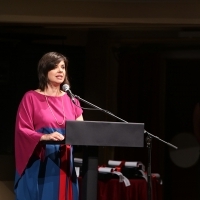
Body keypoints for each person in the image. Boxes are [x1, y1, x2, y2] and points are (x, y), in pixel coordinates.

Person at [14, 52, 83, 200]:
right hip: (40, 158)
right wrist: (44, 136)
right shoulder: (31, 98)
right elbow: (22, 129)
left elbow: (82, 130)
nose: (60, 71)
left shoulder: (72, 100)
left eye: (63, 67)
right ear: (45, 70)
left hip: (64, 160)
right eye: (55, 67)